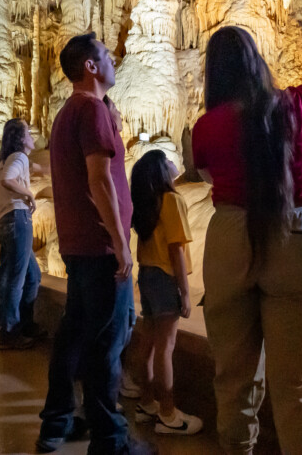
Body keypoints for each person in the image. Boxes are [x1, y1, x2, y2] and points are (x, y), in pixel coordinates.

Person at [192, 0, 302, 455]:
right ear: (256, 64)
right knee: (298, 392)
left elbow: (209, 177)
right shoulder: (293, 104)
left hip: (230, 240)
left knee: (234, 383)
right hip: (293, 235)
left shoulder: (205, 128)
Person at [38, 33, 149, 455]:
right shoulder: (91, 110)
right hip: (100, 245)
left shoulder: (68, 112)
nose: (113, 59)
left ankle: (59, 420)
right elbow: (100, 180)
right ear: (90, 66)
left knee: (74, 334)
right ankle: (110, 440)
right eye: (106, 55)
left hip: (78, 244)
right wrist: (120, 243)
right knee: (107, 343)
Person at [128, 150, 202, 436]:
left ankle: (147, 403)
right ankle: (168, 414)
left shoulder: (148, 204)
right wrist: (185, 292)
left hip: (147, 275)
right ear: (160, 170)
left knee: (148, 344)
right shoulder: (171, 200)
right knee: (165, 348)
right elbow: (176, 249)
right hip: (164, 277)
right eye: (168, 160)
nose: (174, 162)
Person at [0, 118, 43, 350]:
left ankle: (13, 323)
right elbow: (8, 180)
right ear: (21, 138)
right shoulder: (19, 157)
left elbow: (28, 170)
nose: (32, 136)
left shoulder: (3, 159)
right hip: (17, 218)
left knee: (30, 275)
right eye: (28, 133)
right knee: (18, 277)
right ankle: (10, 332)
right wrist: (29, 195)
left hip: (4, 221)